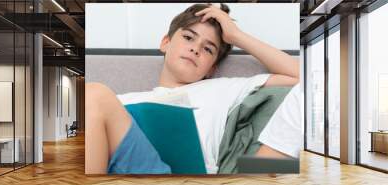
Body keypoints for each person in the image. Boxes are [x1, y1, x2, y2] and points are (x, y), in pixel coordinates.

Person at [85, 3, 300, 174]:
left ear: (212, 68)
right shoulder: (118, 102)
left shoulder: (223, 88)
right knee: (93, 98)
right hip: (121, 177)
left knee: (94, 94)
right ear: (165, 43)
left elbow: (299, 75)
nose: (195, 49)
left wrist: (236, 35)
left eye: (208, 49)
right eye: (188, 37)